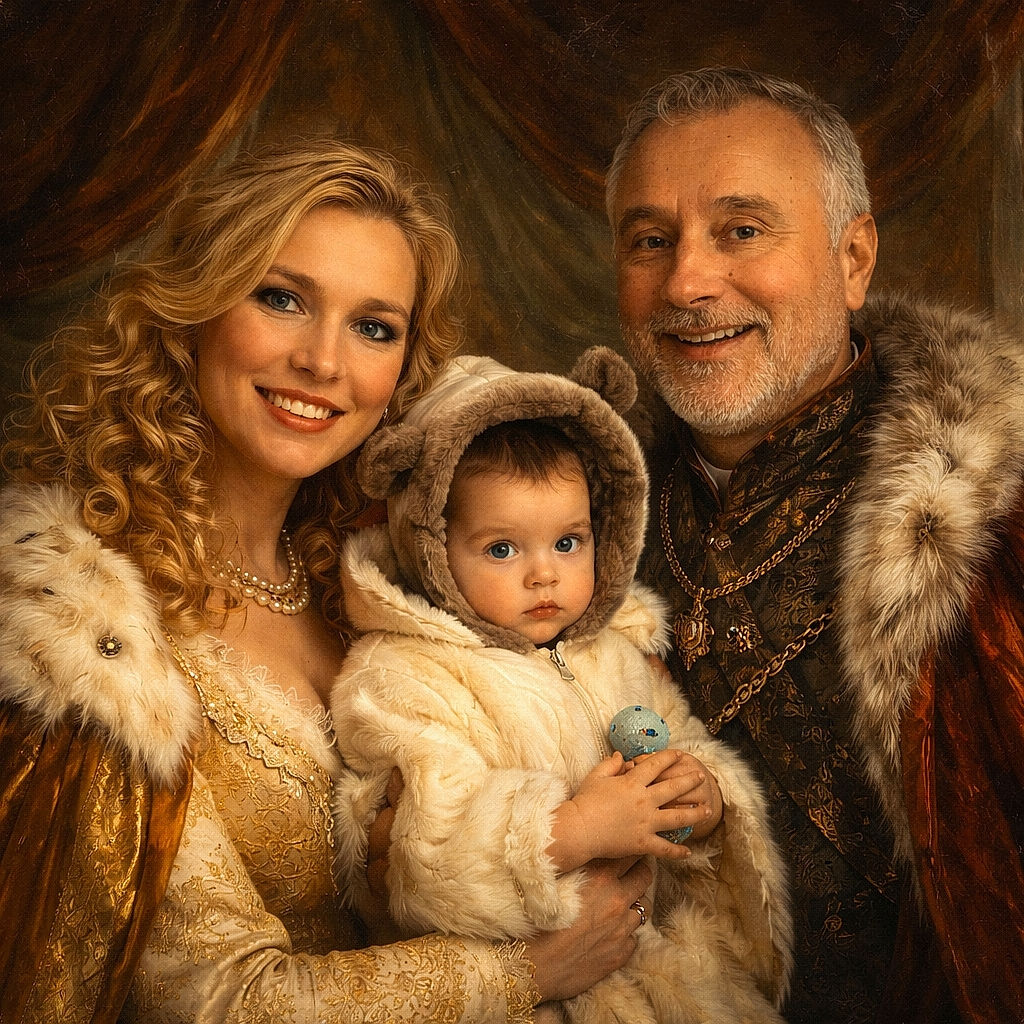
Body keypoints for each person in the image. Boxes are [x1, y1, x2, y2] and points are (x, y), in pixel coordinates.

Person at [0, 141, 654, 1024]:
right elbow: (221, 1001)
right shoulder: (81, 625)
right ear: (195, 308)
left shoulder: (383, 580)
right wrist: (525, 971)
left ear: (401, 372)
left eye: (373, 327)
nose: (323, 362)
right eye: (281, 298)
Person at [607, 66, 1024, 1024]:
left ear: (854, 258)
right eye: (650, 240)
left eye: (741, 230)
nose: (687, 282)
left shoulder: (1002, 521)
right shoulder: (567, 516)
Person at [330, 348, 792, 1023]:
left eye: (568, 543)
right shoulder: (402, 678)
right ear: (429, 547)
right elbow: (415, 862)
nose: (544, 575)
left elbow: (679, 741)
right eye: (501, 549)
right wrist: (576, 828)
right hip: (536, 998)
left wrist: (702, 794)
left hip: (662, 975)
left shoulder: (614, 650)